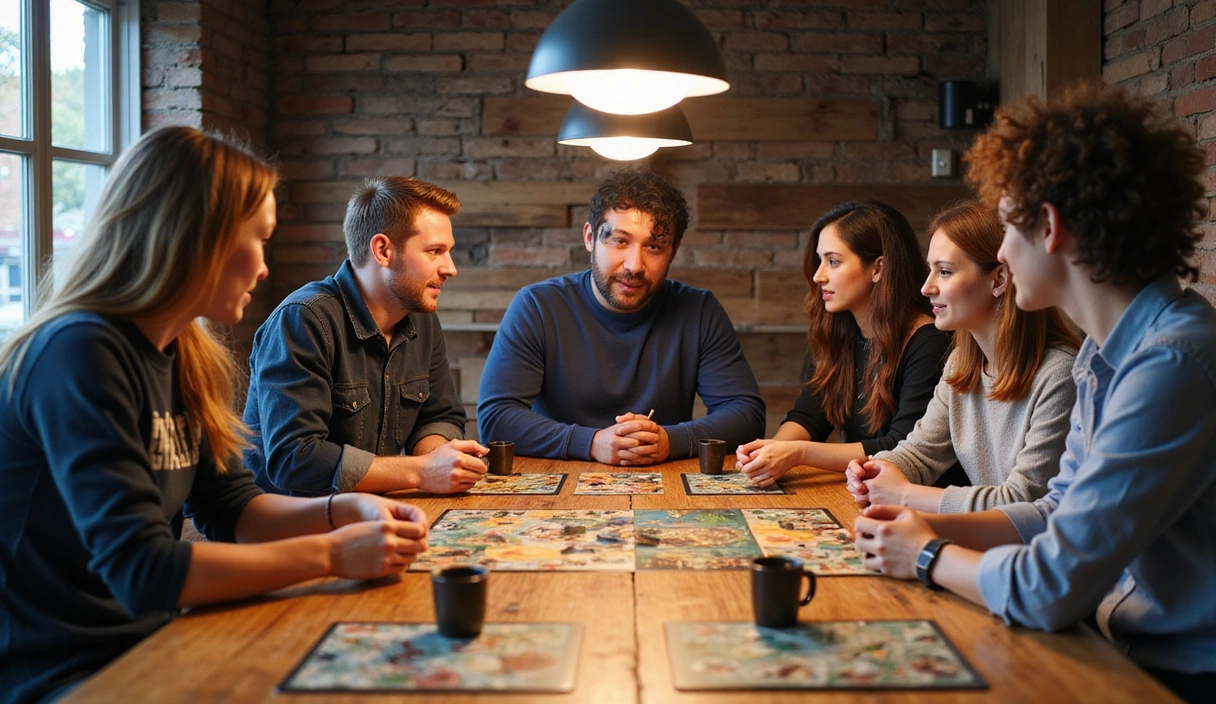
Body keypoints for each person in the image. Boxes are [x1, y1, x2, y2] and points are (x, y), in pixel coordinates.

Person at [0, 127, 429, 704]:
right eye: (258, 239)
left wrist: (338, 511)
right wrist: (332, 553)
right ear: (194, 238)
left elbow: (230, 509)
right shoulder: (80, 352)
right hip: (62, 673)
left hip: (158, 640)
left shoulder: (184, 351)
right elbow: (144, 571)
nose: (262, 267)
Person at [853, 85, 1216, 704]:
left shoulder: (1171, 363)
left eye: (1008, 225)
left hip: (1177, 677)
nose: (1000, 253)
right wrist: (918, 525)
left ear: (1049, 227)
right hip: (1113, 645)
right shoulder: (1106, 356)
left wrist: (925, 554)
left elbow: (1052, 586)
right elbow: (1054, 512)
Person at [477, 169, 765, 465]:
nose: (634, 265)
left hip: (668, 486)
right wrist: (591, 443)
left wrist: (669, 441)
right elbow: (496, 419)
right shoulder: (537, 306)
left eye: (653, 247)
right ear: (590, 238)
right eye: (619, 241)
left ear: (673, 251)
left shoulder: (699, 310)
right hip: (556, 485)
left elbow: (746, 415)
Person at [243, 176, 487, 496]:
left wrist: (439, 460)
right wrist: (420, 471)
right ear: (383, 250)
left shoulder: (422, 321)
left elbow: (439, 416)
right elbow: (294, 458)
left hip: (369, 513)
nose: (450, 268)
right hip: (286, 531)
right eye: (434, 251)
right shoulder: (303, 319)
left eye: (448, 252)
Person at [845, 201, 1080, 513]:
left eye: (944, 271)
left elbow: (1024, 503)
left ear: (999, 280)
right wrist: (873, 471)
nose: (927, 287)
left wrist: (903, 495)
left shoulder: (1060, 374)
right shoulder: (961, 363)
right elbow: (919, 454)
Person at [736, 201, 950, 487]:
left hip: (917, 504)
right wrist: (768, 451)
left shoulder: (928, 341)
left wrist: (797, 453)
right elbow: (810, 416)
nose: (818, 275)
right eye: (819, 260)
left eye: (833, 261)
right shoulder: (839, 331)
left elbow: (900, 447)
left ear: (878, 268)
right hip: (862, 491)